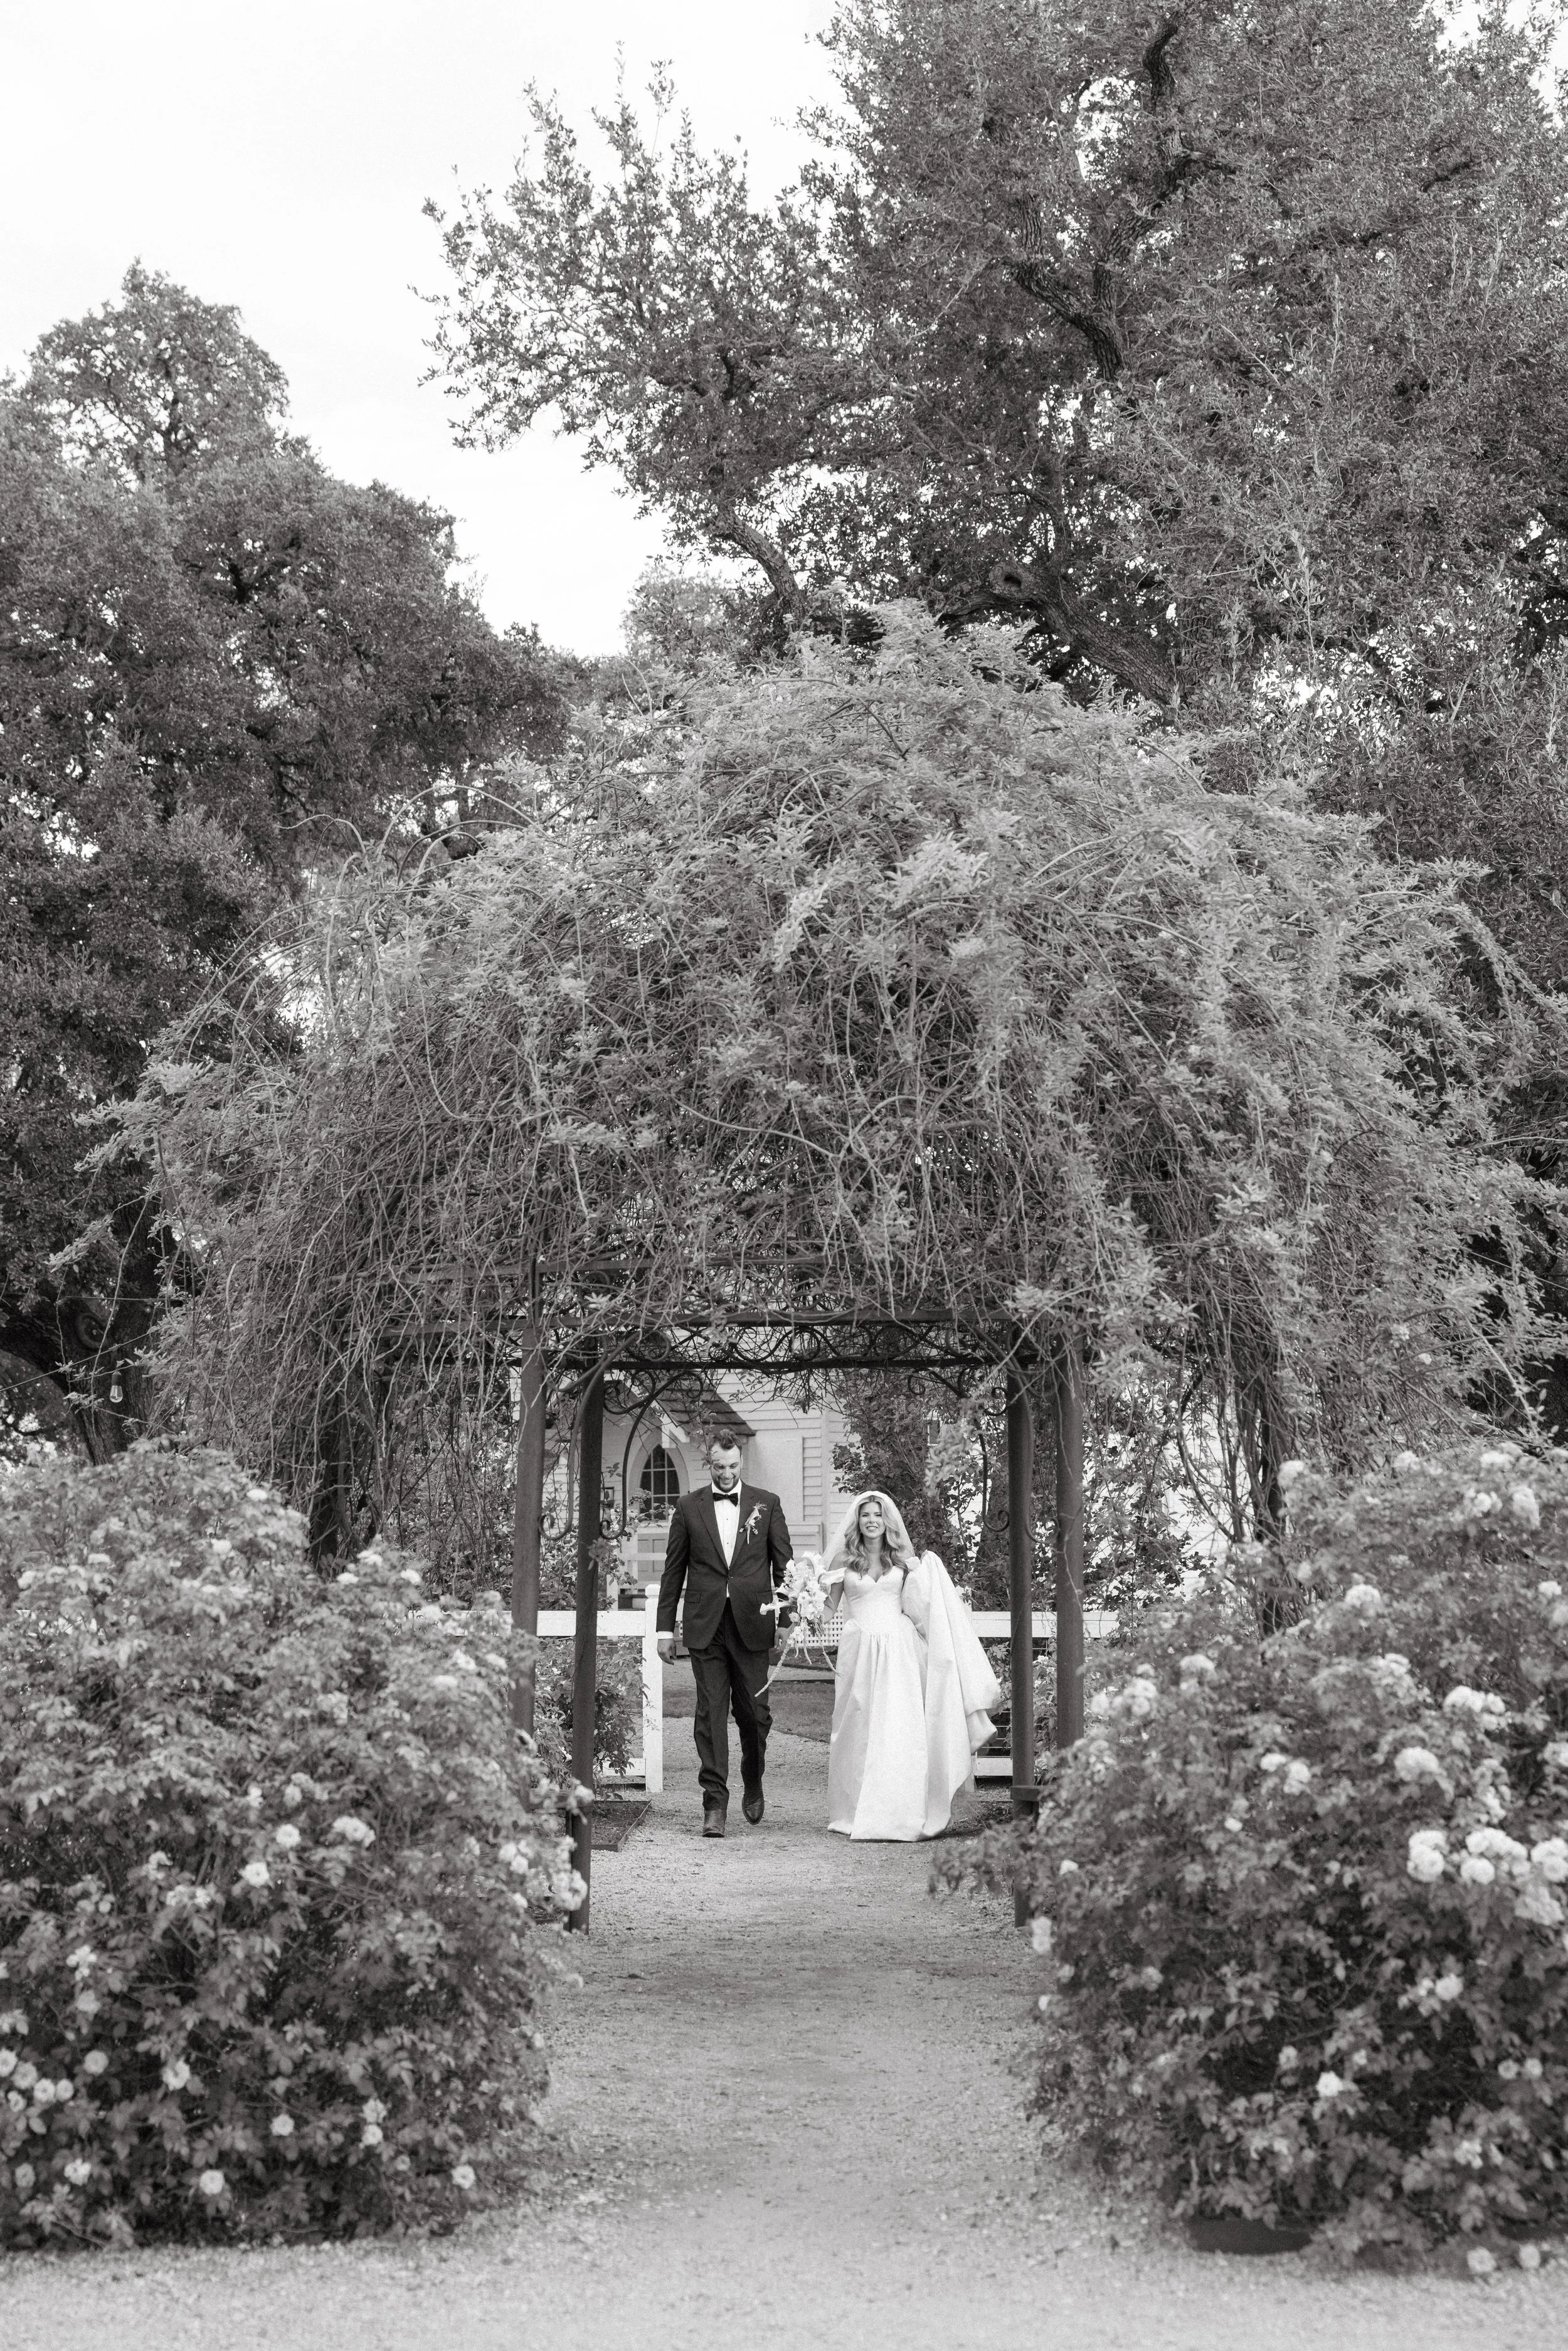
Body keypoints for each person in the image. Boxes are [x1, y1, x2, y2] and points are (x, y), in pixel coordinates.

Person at [825, 1490, 1002, 1841]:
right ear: (857, 1522)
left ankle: (902, 1810)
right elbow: (828, 1609)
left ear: (887, 1520)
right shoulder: (844, 1562)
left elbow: (922, 1608)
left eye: (878, 1514)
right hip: (859, 1649)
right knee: (856, 1728)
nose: (872, 1520)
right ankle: (855, 1810)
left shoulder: (904, 1562)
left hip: (900, 1651)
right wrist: (803, 1608)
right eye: (865, 1515)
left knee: (898, 1728)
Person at [656, 1436, 793, 1839]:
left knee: (755, 1715)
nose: (728, 1474)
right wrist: (666, 1629)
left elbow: (783, 1568)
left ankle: (753, 1779)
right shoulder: (688, 1507)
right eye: (720, 1467)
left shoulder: (766, 1503)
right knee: (710, 1712)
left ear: (741, 1462)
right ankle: (714, 1803)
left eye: (733, 1467)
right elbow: (673, 1571)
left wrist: (786, 1618)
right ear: (709, 1465)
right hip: (705, 1624)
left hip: (754, 1622)